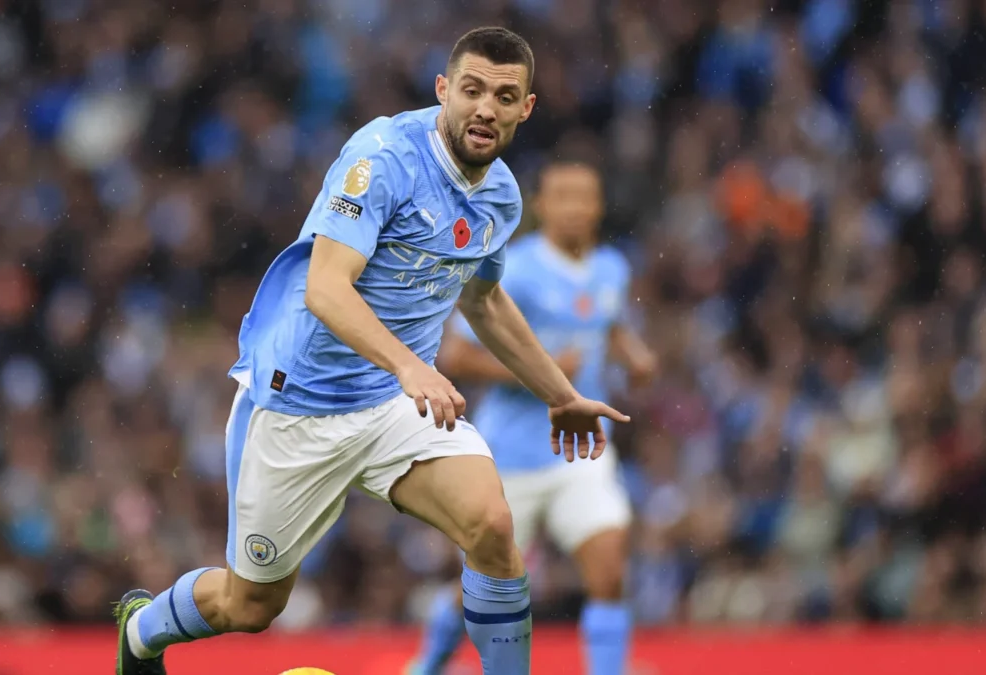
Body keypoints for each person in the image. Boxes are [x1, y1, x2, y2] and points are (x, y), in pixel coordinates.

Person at [113, 27, 631, 675]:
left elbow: (485, 302)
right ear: (443, 90)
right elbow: (326, 288)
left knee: (493, 528)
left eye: (504, 97)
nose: (485, 109)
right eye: (471, 90)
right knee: (250, 605)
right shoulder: (382, 157)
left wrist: (560, 393)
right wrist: (411, 365)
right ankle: (142, 630)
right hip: (299, 404)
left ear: (525, 108)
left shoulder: (500, 195)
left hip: (394, 405)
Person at [409, 160, 656, 675]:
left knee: (609, 570)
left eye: (583, 197)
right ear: (540, 206)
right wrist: (540, 374)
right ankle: (428, 664)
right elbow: (456, 355)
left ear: (598, 207)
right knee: (484, 586)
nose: (573, 208)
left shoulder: (611, 268)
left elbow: (606, 324)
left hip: (582, 452)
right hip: (512, 457)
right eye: (562, 196)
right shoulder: (515, 269)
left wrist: (633, 356)